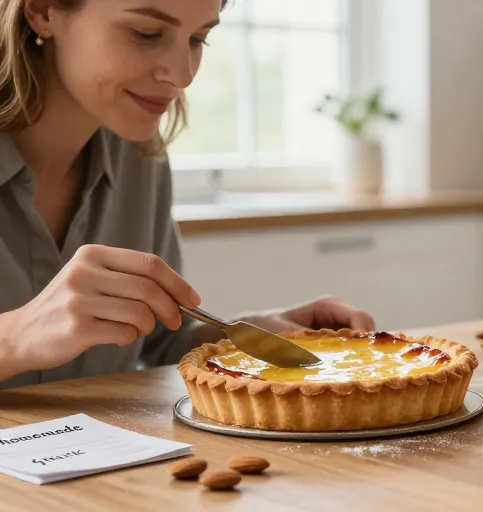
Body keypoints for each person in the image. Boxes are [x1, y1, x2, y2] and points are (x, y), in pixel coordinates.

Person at [0, 0, 375, 388]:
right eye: (146, 33)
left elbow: (157, 342)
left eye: (198, 39)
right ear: (42, 10)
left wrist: (250, 336)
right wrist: (13, 339)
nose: (183, 75)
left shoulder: (141, 157)